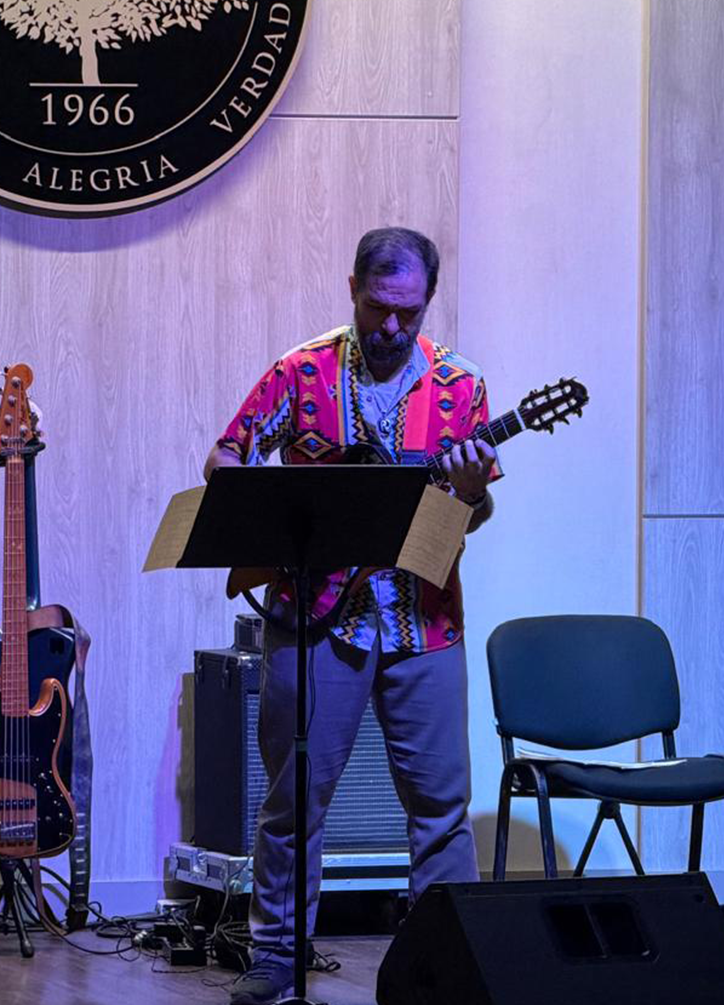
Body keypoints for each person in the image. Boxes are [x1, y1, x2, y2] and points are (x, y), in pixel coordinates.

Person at [204, 227, 497, 1005]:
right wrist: (259, 518)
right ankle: (275, 956)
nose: (393, 327)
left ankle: (444, 962)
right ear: (352, 288)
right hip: (315, 617)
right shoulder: (300, 371)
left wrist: (467, 492)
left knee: (442, 805)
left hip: (422, 620)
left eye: (409, 311)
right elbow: (227, 457)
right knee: (295, 798)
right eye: (378, 307)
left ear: (427, 300)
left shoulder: (461, 387)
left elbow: (475, 513)